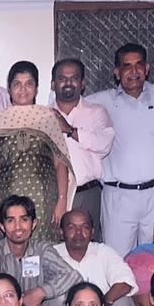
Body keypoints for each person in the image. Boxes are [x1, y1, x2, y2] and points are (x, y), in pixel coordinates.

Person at [88, 43, 154, 256]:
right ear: (117, 72)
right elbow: (68, 107)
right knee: (117, 261)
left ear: (147, 69)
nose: (134, 71)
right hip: (119, 197)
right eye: (127, 66)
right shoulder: (101, 102)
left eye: (139, 65)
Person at [0, 62, 73, 243]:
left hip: (44, 202)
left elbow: (60, 163)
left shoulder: (48, 118)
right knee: (10, 253)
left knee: (44, 252)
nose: (23, 89)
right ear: (9, 89)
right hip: (6, 201)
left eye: (29, 84)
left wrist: (62, 200)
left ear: (37, 88)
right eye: (17, 84)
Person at [0, 195, 82, 306]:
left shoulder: (42, 249)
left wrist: (41, 293)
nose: (18, 226)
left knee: (60, 298)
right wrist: (20, 300)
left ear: (33, 223)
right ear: (2, 226)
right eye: (10, 221)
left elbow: (73, 276)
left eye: (24, 219)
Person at [50, 59, 115, 239]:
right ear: (53, 84)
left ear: (83, 83)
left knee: (89, 248)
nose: (68, 83)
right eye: (62, 78)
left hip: (87, 194)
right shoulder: (43, 115)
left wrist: (70, 131)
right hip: (53, 197)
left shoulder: (96, 112)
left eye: (74, 78)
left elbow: (104, 144)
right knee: (54, 248)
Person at [54, 210, 138, 306]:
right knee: (55, 301)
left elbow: (125, 282)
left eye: (84, 227)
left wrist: (103, 304)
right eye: (71, 227)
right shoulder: (52, 254)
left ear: (92, 232)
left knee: (122, 301)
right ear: (61, 232)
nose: (78, 232)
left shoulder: (103, 251)